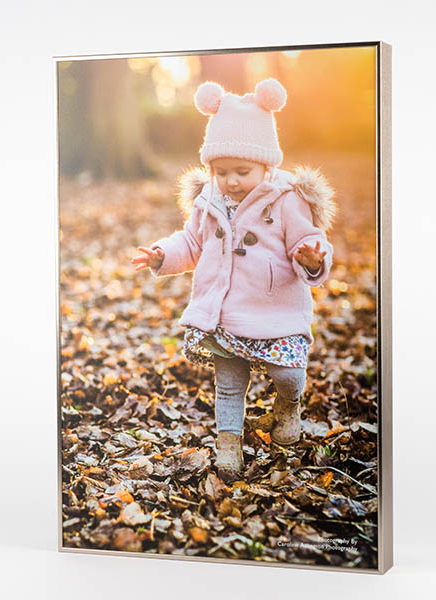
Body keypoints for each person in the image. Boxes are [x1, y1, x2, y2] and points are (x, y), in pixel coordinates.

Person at [131, 78, 336, 481]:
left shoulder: (286, 199)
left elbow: (310, 238)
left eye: (242, 170)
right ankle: (228, 444)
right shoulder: (209, 201)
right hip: (224, 310)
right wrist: (162, 254)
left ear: (266, 165)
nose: (232, 181)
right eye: (221, 171)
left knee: (289, 373)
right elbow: (191, 241)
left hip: (275, 308)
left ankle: (288, 404)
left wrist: (312, 257)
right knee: (228, 380)